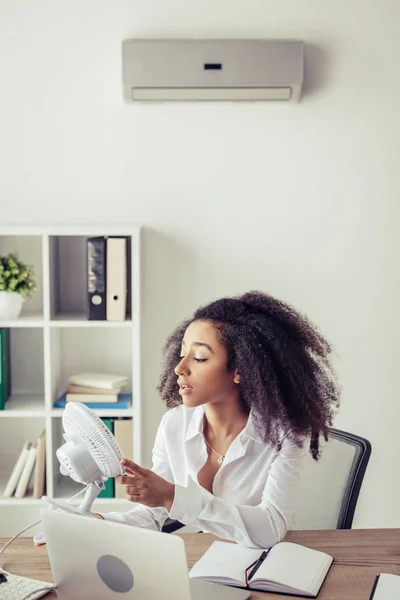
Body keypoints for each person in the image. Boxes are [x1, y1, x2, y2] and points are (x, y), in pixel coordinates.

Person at [96, 290, 340, 548]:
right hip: (210, 560)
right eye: (182, 354)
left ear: (240, 370)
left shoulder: (287, 434)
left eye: (200, 358)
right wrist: (100, 522)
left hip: (265, 565)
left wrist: (171, 495)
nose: (180, 368)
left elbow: (271, 527)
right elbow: (155, 514)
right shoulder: (174, 425)